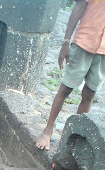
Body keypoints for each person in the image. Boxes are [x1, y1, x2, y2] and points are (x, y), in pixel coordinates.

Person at [36, 0, 105, 151]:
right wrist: (66, 42)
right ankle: (48, 130)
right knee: (66, 88)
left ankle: (76, 139)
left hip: (103, 51)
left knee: (89, 95)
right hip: (84, 42)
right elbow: (79, 7)